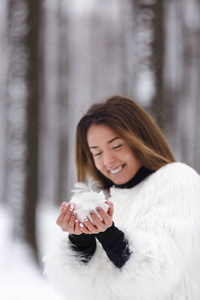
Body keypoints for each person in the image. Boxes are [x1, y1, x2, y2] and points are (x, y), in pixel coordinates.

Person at [43, 96, 200, 300]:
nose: (108, 160)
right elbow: (89, 291)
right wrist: (80, 241)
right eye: (97, 153)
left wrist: (110, 236)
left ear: (140, 139)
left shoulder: (177, 180)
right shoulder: (110, 200)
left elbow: (158, 274)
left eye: (116, 146)